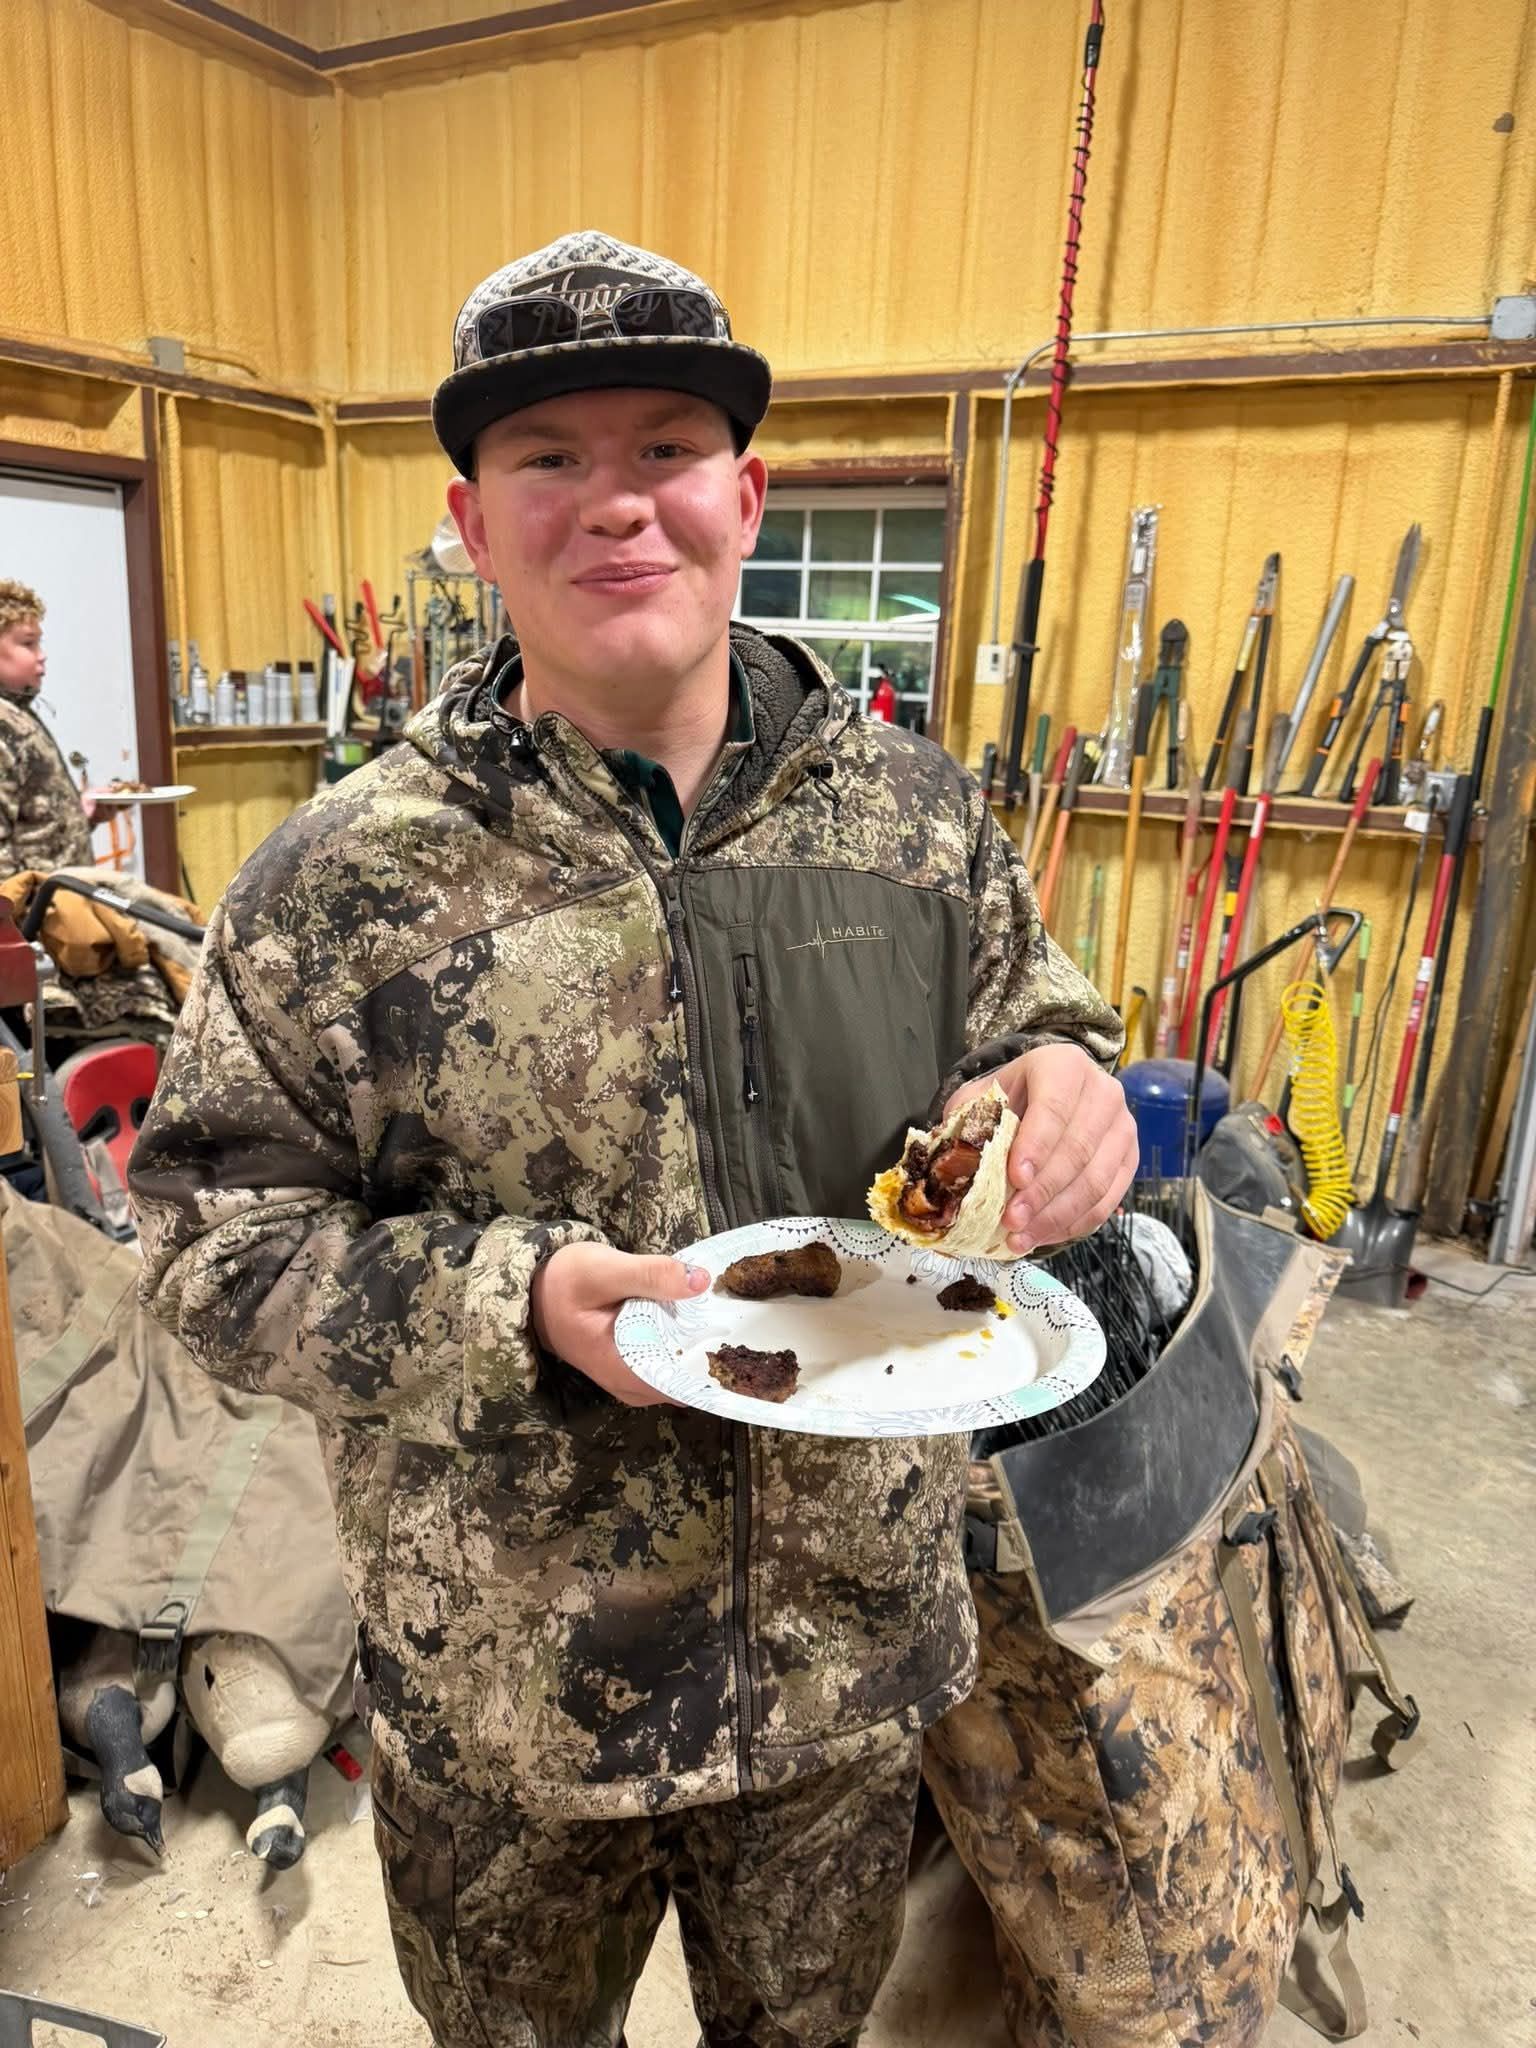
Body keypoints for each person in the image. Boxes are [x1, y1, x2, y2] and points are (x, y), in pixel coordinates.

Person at [130, 230, 1136, 2048]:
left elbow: (1032, 1021)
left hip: (839, 1678)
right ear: (468, 518)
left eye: (665, 448)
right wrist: (513, 1305)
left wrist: (1073, 1086)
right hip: (514, 1707)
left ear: (744, 493)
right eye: (550, 461)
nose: (620, 507)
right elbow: (205, 1247)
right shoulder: (342, 880)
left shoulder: (910, 811)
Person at [0, 579, 95, 874]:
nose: (42, 654)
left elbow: (30, 830)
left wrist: (82, 815)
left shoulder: (17, 714)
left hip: (57, 903)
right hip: (29, 913)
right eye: (28, 643)